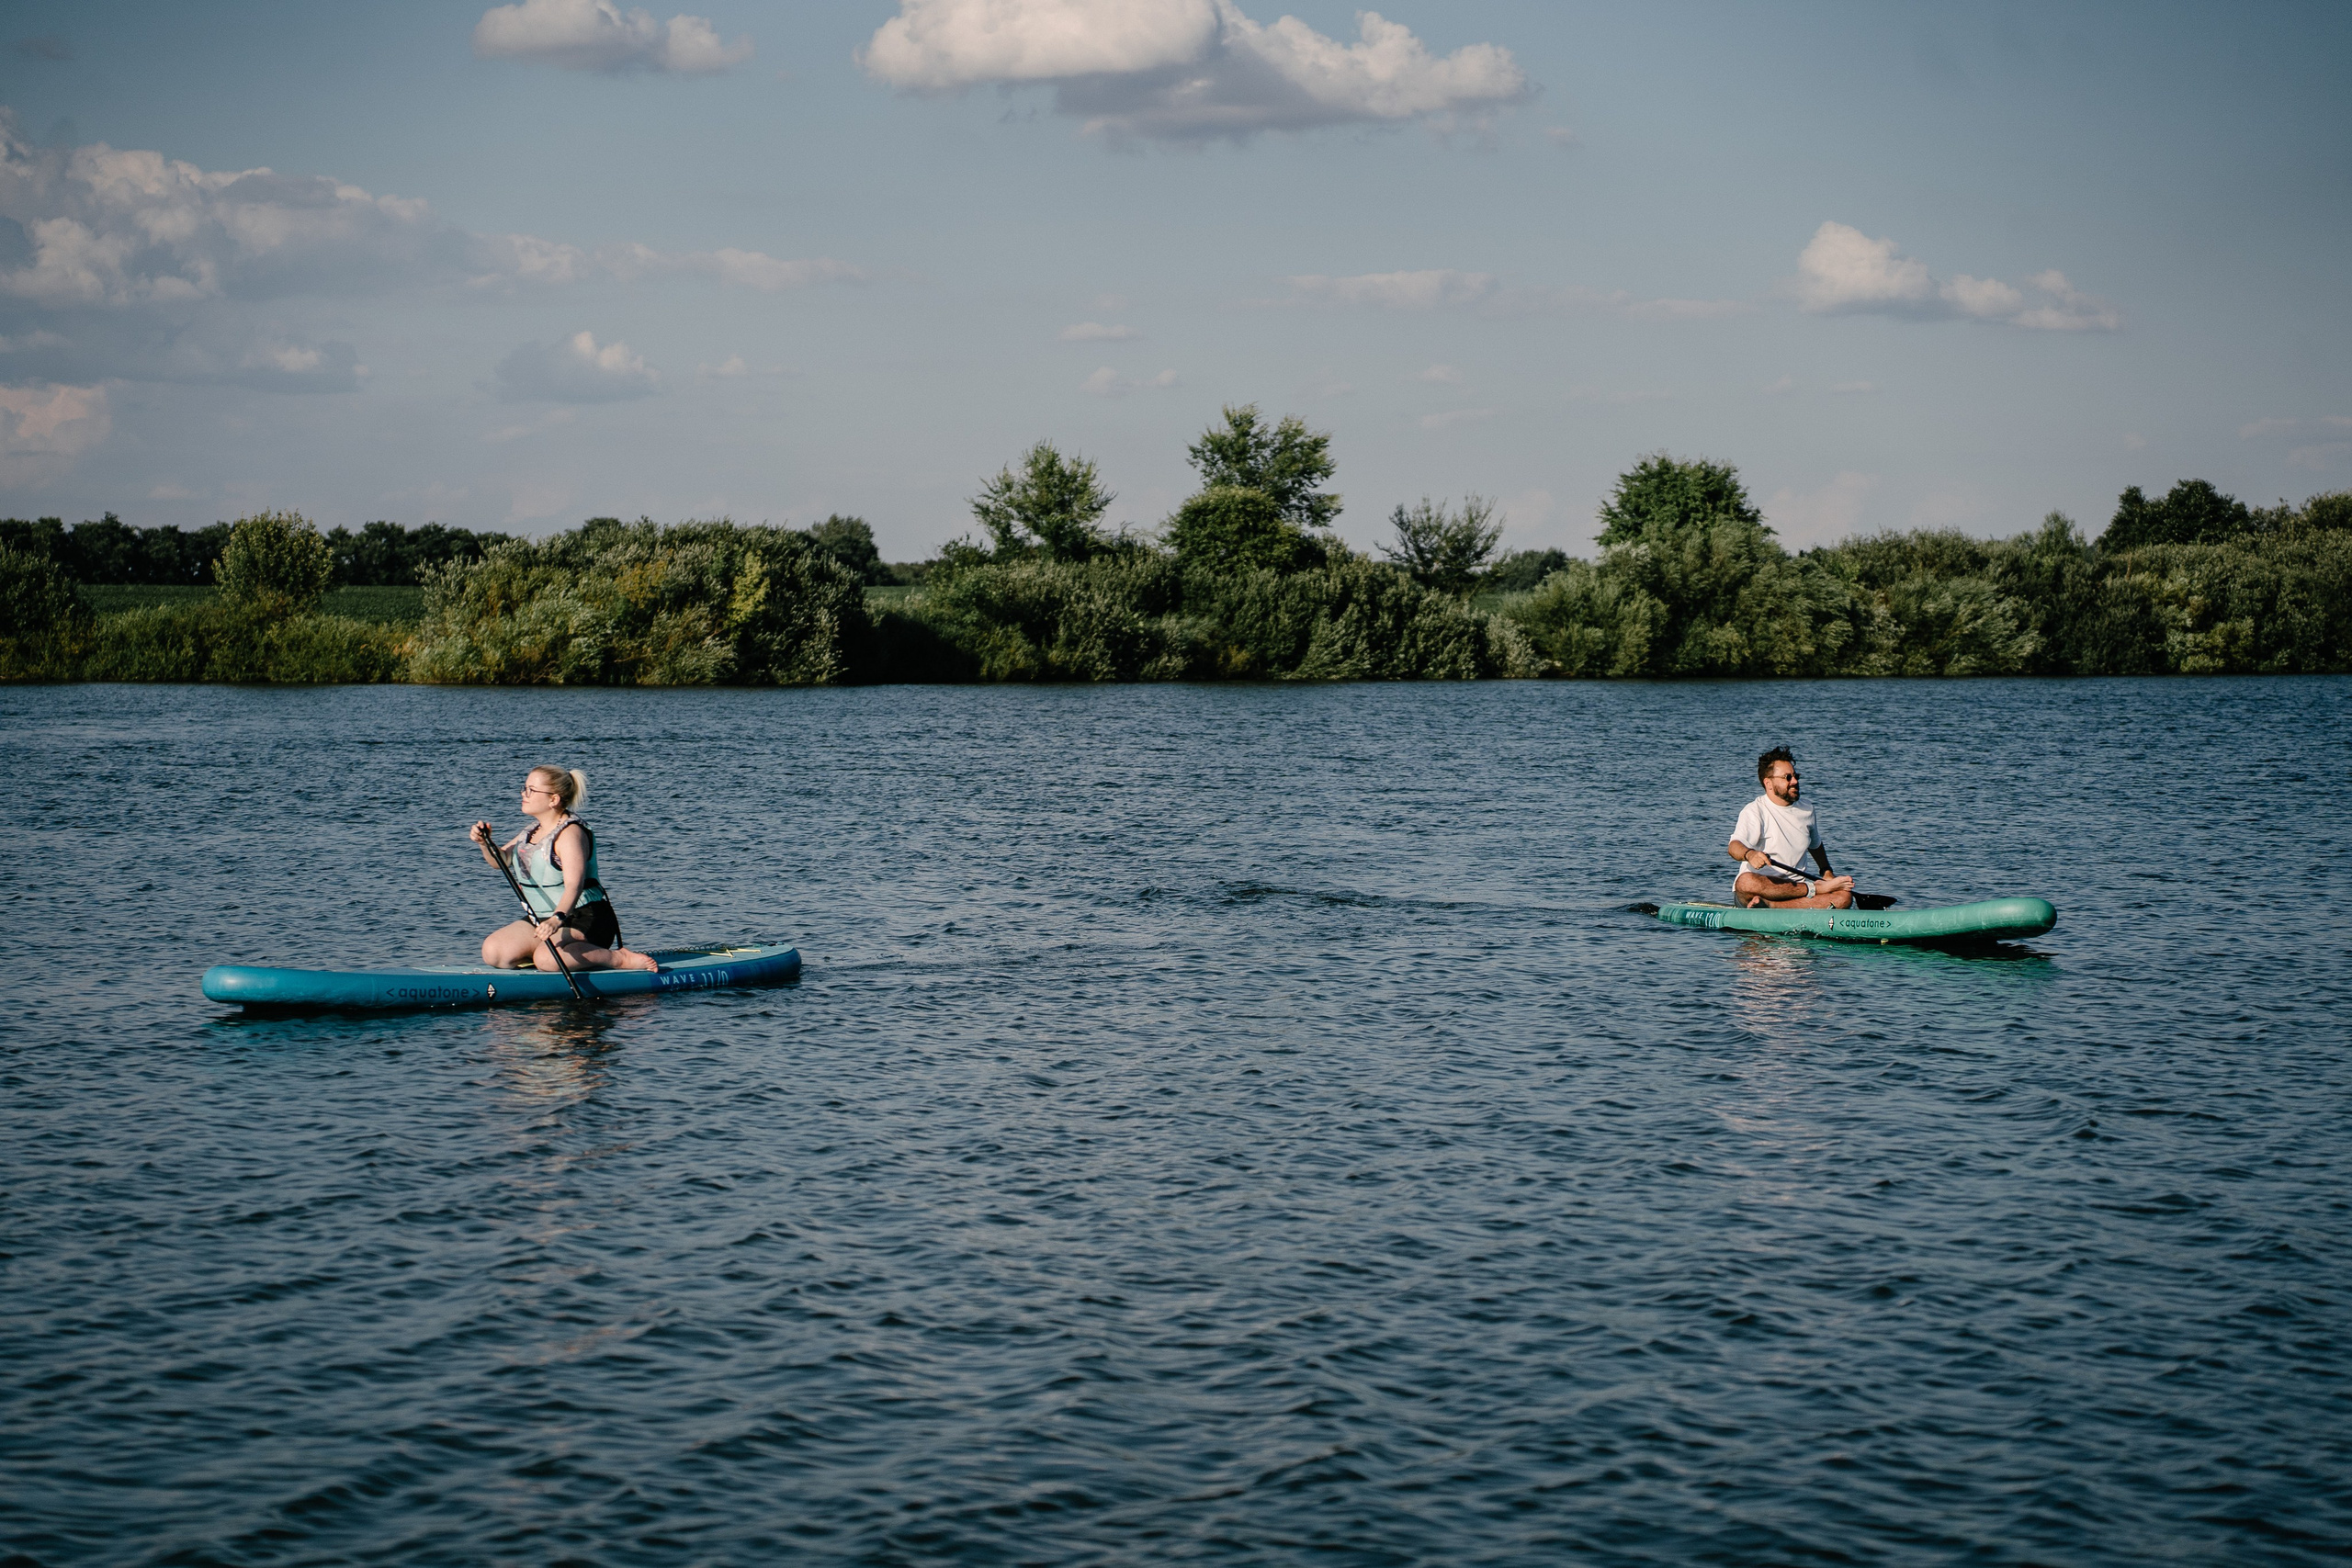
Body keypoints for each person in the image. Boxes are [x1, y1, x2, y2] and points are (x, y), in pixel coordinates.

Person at [469, 766, 659, 972]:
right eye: (524, 788)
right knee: (494, 952)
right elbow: (500, 861)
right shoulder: (531, 831)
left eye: (531, 790)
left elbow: (574, 886)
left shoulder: (570, 834)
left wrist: (556, 919)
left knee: (547, 959)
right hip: (542, 918)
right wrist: (485, 843)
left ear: (553, 799)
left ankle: (618, 958)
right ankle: (549, 959)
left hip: (584, 918)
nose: (523, 794)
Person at [1727, 747, 1855, 909]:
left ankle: (1771, 906)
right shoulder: (1754, 811)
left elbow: (1815, 844)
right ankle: (1811, 891)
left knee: (1844, 897)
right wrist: (1750, 854)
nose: (1794, 781)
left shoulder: (1807, 809)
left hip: (1796, 891)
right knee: (1745, 882)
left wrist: (1826, 871)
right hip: (1761, 889)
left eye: (1796, 776)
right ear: (1768, 783)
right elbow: (1734, 846)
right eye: (1787, 777)